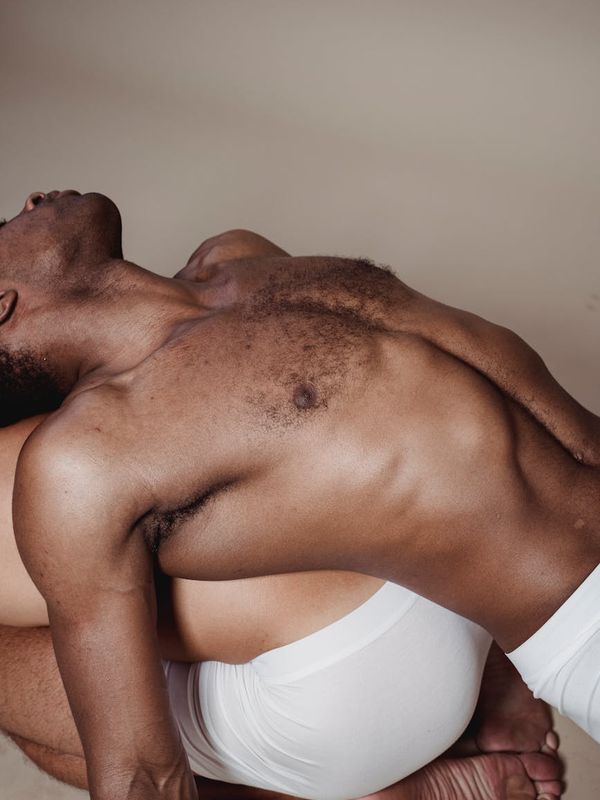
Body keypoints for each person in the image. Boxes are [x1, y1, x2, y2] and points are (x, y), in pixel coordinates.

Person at [3, 188, 598, 799]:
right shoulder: (85, 457)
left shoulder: (237, 258)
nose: (28, 201)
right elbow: (141, 776)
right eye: (2, 225)